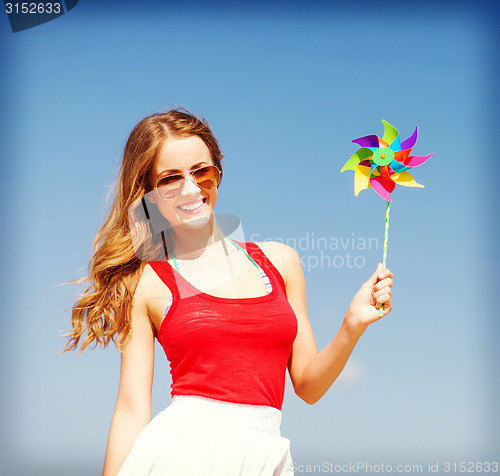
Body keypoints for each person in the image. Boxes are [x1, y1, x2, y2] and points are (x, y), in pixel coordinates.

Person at [64, 108, 394, 476]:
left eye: (201, 172)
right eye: (170, 179)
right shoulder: (145, 282)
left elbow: (308, 387)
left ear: (217, 173)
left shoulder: (281, 262)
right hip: (184, 455)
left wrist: (353, 324)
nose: (191, 189)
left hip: (266, 455)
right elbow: (130, 408)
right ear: (150, 196)